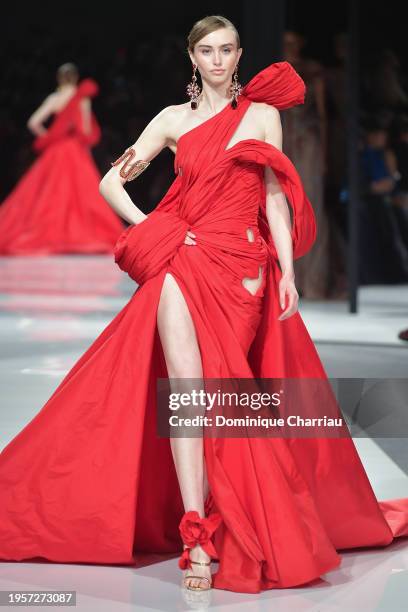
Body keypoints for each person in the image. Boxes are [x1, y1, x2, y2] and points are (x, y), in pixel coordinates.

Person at [0, 16, 407, 596]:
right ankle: (196, 534)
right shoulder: (170, 120)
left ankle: (225, 519)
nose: (217, 60)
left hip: (242, 272)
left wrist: (287, 271)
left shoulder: (263, 117)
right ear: (192, 58)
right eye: (206, 51)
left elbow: (273, 195)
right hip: (182, 264)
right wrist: (155, 229)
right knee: (190, 393)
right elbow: (109, 184)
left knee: (220, 393)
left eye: (226, 50)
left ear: (239, 56)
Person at [0, 63, 123, 254]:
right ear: (75, 78)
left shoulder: (54, 98)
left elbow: (33, 122)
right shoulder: (81, 97)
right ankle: (76, 234)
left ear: (59, 79)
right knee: (81, 194)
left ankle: (47, 234)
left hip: (55, 152)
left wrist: (49, 135)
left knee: (49, 194)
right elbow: (86, 130)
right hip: (74, 150)